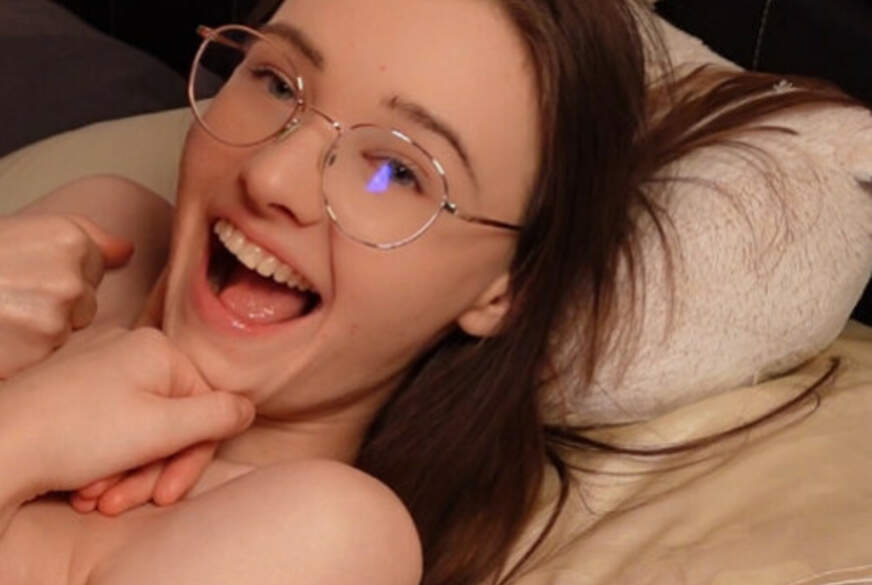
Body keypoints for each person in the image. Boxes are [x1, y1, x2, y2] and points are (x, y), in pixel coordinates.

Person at [0, 0, 864, 584]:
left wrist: (26, 430)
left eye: (394, 171)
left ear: (504, 289)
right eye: (276, 83)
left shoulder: (327, 537)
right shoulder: (103, 238)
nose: (272, 175)